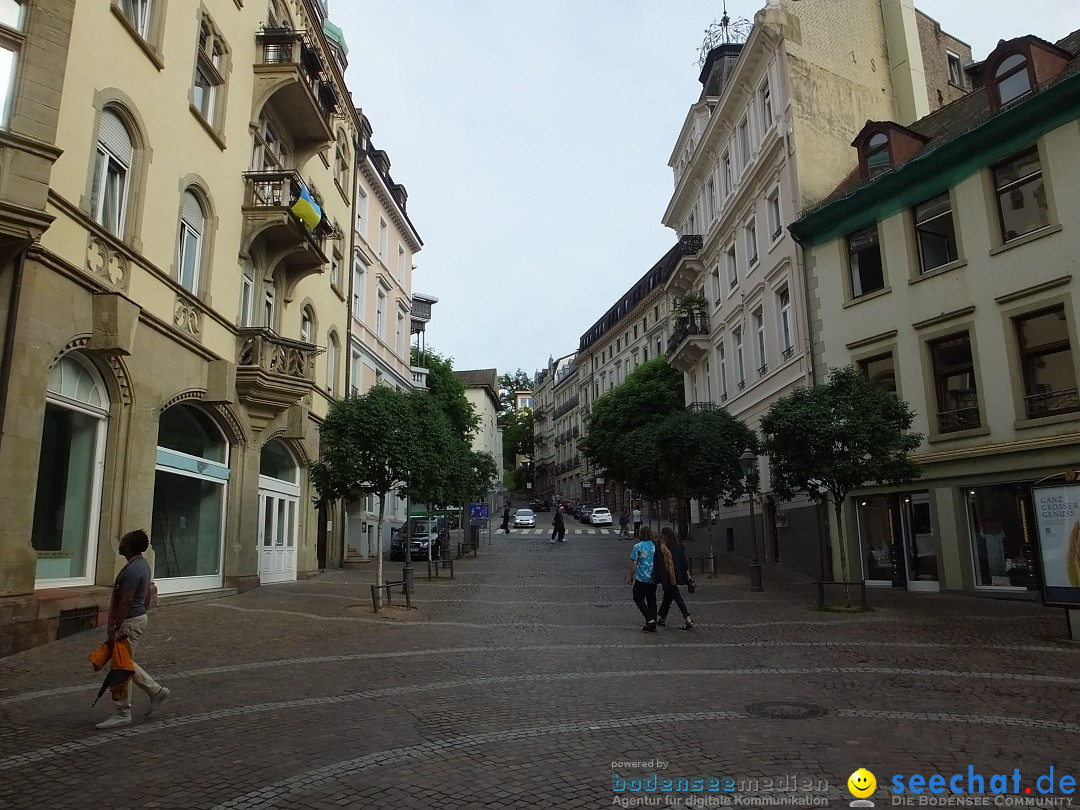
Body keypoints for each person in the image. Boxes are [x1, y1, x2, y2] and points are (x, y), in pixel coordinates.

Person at [95, 529, 170, 729]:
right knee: (124, 662)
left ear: (128, 547)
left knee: (121, 665)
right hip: (136, 618)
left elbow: (126, 600)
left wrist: (116, 627)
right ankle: (155, 691)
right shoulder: (142, 565)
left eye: (123, 541)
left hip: (129, 621)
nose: (120, 544)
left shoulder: (133, 569)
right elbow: (144, 596)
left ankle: (123, 711)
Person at [656, 527, 693, 630]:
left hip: (669, 577)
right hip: (677, 575)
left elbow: (661, 565)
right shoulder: (678, 547)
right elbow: (684, 563)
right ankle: (662, 617)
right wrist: (688, 575)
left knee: (677, 597)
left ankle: (687, 617)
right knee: (668, 597)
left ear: (664, 536)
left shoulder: (663, 548)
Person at [627, 526, 659, 632]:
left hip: (642, 577)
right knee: (651, 600)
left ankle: (649, 619)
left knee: (637, 598)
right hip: (653, 577)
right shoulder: (655, 546)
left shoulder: (638, 546)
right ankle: (653, 621)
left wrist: (631, 576)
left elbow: (634, 562)